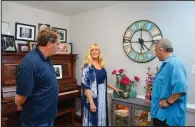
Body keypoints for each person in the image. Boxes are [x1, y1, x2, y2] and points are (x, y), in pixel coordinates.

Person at [15, 28, 60, 126]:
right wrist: (19, 104)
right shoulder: (30, 62)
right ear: (49, 44)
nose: (59, 47)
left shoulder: (47, 57)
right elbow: (20, 97)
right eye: (57, 44)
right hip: (36, 119)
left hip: (48, 115)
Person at [81, 43, 121, 126]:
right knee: (94, 118)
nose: (94, 52)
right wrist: (91, 103)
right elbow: (86, 86)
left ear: (99, 52)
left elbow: (102, 81)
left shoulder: (101, 65)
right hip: (93, 97)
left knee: (101, 117)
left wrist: (114, 88)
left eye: (96, 49)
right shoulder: (88, 66)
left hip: (102, 97)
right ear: (89, 52)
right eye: (92, 50)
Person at [151, 38, 188, 126]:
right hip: (160, 113)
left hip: (168, 116)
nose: (156, 54)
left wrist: (168, 102)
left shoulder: (175, 63)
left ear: (161, 49)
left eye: (156, 51)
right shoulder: (167, 64)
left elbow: (181, 88)